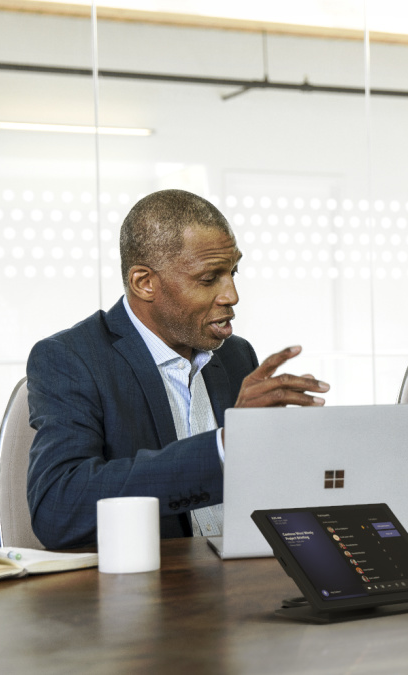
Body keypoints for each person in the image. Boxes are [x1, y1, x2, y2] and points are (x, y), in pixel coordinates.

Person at [26, 189, 329, 549]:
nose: (231, 295)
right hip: (152, 587)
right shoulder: (71, 358)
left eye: (232, 271)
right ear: (145, 283)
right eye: (208, 278)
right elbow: (58, 508)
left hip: (241, 573)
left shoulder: (236, 356)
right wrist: (223, 446)